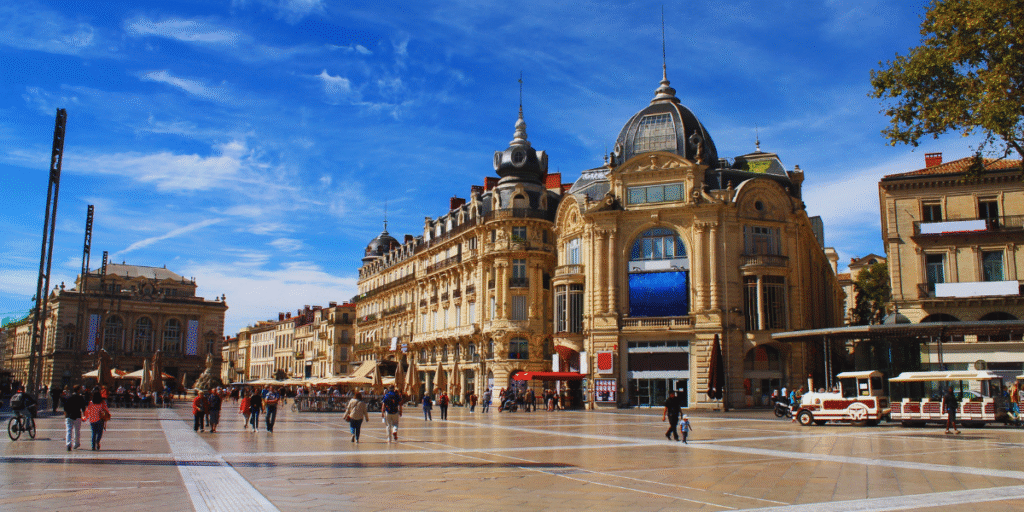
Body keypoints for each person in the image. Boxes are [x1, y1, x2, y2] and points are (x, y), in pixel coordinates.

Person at [61, 385, 88, 451]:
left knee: (68, 430)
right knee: (77, 431)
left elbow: (65, 407)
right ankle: (76, 443)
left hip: (69, 416)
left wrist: (65, 414)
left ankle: (68, 444)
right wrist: (84, 415)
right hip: (77, 415)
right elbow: (83, 408)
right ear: (78, 390)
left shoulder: (69, 397)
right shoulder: (80, 397)